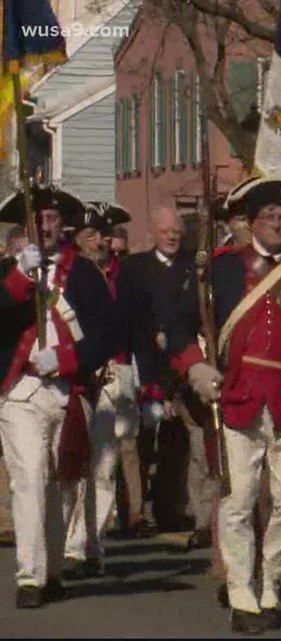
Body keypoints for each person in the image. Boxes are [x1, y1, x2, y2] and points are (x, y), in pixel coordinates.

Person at [161, 176, 281, 634]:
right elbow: (179, 325)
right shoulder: (221, 269)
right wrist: (195, 369)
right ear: (251, 222)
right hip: (237, 398)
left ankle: (272, 581)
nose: (278, 225)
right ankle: (244, 596)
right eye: (270, 217)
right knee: (238, 502)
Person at [0, 186, 115, 608]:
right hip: (21, 391)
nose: (45, 226)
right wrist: (18, 277)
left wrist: (66, 358)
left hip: (70, 389)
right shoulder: (9, 271)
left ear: (62, 225)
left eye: (51, 219)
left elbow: (106, 333)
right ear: (26, 226)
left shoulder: (82, 273)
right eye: (37, 219)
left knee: (63, 485)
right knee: (29, 478)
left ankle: (50, 570)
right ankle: (29, 576)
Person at [117, 208, 208, 545]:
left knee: (182, 442)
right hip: (145, 362)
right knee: (138, 443)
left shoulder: (193, 267)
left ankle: (176, 509)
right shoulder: (134, 268)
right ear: (153, 232)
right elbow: (127, 318)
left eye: (177, 231)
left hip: (185, 364)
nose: (172, 236)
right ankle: (136, 511)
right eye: (166, 230)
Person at [61, 202, 137, 580]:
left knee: (105, 467)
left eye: (102, 234)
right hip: (79, 375)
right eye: (89, 235)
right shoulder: (69, 277)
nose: (99, 241)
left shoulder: (125, 275)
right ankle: (72, 545)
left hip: (116, 373)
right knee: (74, 464)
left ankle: (92, 541)